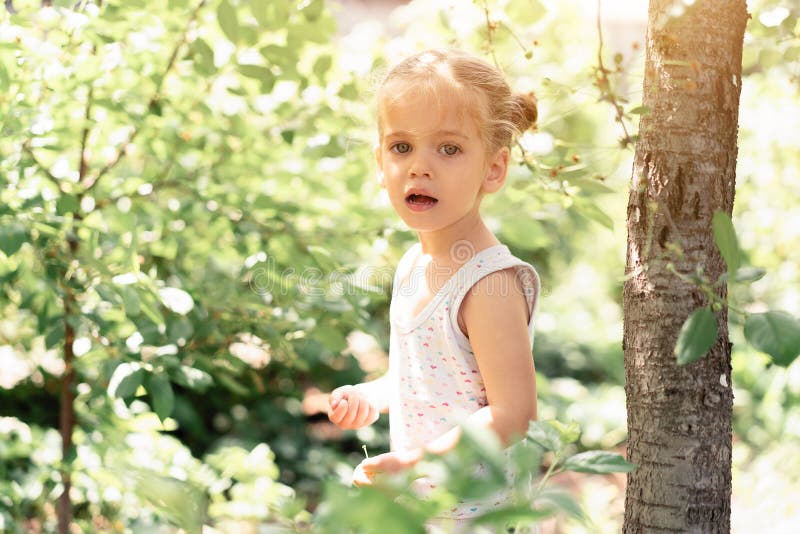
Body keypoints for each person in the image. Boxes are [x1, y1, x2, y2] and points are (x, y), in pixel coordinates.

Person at [328, 48, 541, 532]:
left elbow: (514, 414)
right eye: (401, 147)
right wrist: (372, 395)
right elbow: (428, 379)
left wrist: (415, 464)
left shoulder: (487, 284)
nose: (420, 167)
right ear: (380, 164)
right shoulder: (413, 266)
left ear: (493, 168)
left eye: (448, 149)